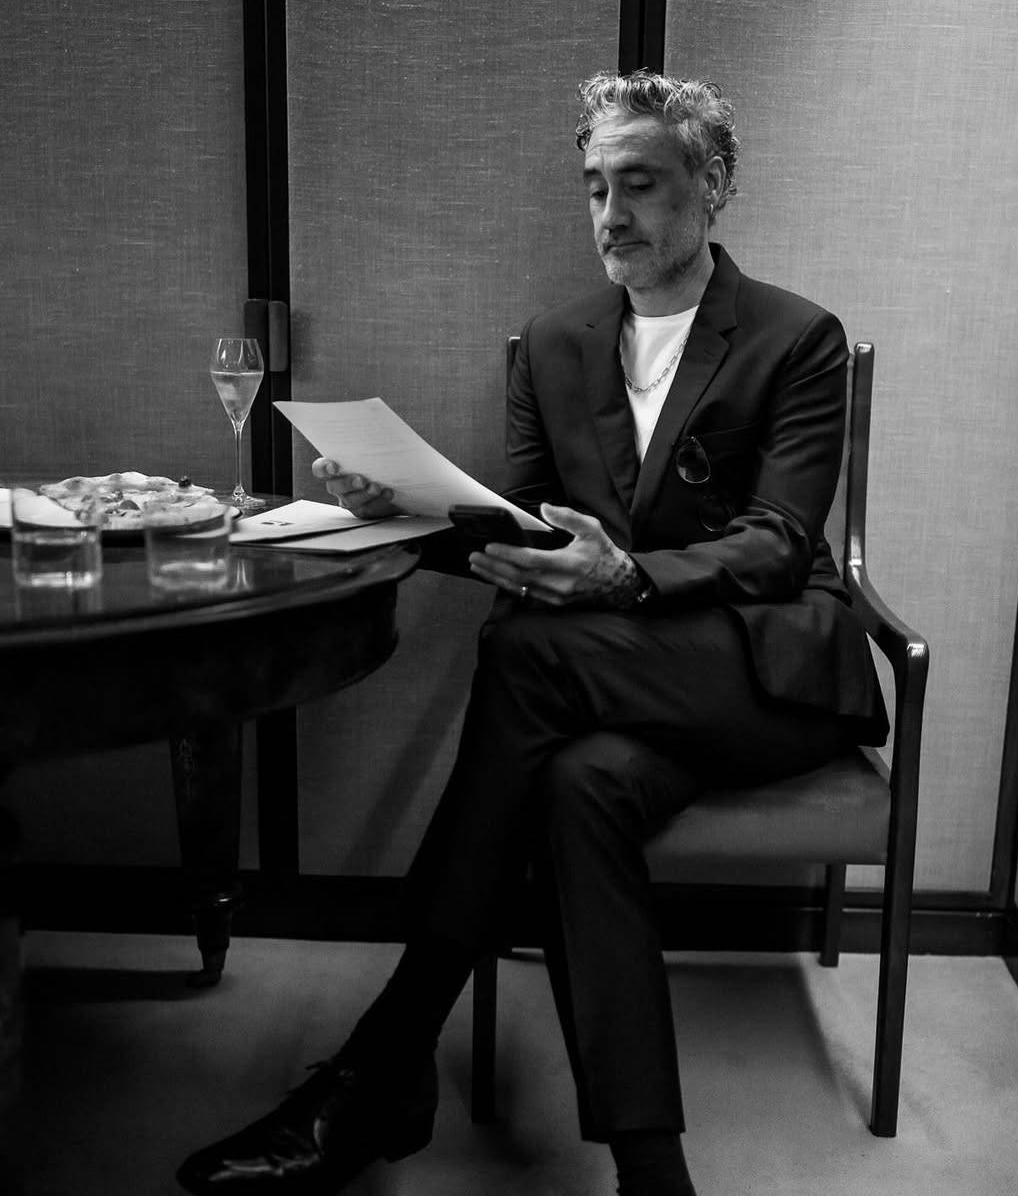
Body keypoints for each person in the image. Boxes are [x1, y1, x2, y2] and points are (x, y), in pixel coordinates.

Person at [178, 70, 888, 1196]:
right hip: (604, 698)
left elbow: (777, 543)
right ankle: (655, 1171)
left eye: (641, 183)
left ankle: (385, 1060)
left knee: (522, 652)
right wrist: (400, 509)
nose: (611, 212)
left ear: (712, 187)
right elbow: (516, 535)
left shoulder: (799, 339)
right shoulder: (554, 346)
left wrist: (629, 579)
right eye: (596, 186)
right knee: (577, 787)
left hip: (760, 679)